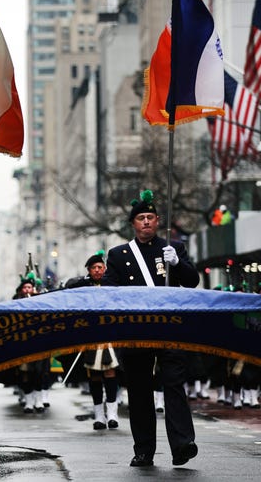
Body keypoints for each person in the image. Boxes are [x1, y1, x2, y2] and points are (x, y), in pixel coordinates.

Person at [102, 189, 200, 468]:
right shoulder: (119, 255)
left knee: (174, 386)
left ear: (158, 222)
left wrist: (178, 263)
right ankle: (144, 449)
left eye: (151, 217)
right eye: (141, 218)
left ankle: (182, 445)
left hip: (169, 327)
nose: (146, 222)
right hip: (136, 331)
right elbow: (109, 291)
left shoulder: (173, 249)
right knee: (140, 390)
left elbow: (192, 282)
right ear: (133, 224)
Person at [68, 251, 121, 430]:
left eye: (100, 267)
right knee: (95, 376)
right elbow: (69, 290)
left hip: (110, 335)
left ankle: (113, 414)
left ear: (104, 268)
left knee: (110, 372)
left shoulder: (112, 285)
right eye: (94, 268)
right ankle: (99, 415)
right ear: (89, 270)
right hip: (90, 336)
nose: (97, 270)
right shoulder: (82, 286)